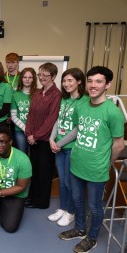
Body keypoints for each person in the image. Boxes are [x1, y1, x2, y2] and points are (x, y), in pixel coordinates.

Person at [59, 66, 125, 253]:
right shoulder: (81, 105)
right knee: (78, 200)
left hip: (97, 169)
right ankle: (80, 229)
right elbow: (80, 130)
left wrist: (107, 163)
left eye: (98, 81)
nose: (93, 85)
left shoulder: (113, 112)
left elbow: (119, 145)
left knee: (95, 207)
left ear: (108, 84)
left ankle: (92, 238)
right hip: (77, 163)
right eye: (90, 81)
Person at [48, 68, 89, 227]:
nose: (66, 84)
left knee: (72, 183)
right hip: (59, 146)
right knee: (63, 181)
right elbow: (59, 121)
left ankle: (71, 212)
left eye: (70, 80)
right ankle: (63, 208)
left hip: (71, 147)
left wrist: (59, 143)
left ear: (79, 81)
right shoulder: (64, 99)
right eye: (64, 81)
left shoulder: (84, 101)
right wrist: (52, 138)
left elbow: (79, 128)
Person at [25, 62, 61, 209]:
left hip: (45, 140)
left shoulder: (56, 95)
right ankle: (32, 197)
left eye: (45, 75)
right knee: (34, 170)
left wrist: (36, 136)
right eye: (40, 74)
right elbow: (31, 115)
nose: (41, 78)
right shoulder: (38, 93)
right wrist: (29, 133)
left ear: (53, 76)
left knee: (44, 172)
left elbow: (51, 120)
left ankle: (41, 202)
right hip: (33, 139)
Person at [10, 67, 38, 154]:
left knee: (34, 156)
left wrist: (31, 131)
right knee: (22, 155)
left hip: (36, 131)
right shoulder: (15, 95)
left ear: (33, 79)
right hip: (20, 130)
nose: (27, 79)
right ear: (21, 78)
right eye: (25, 77)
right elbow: (13, 116)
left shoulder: (39, 94)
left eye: (30, 77)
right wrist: (26, 129)